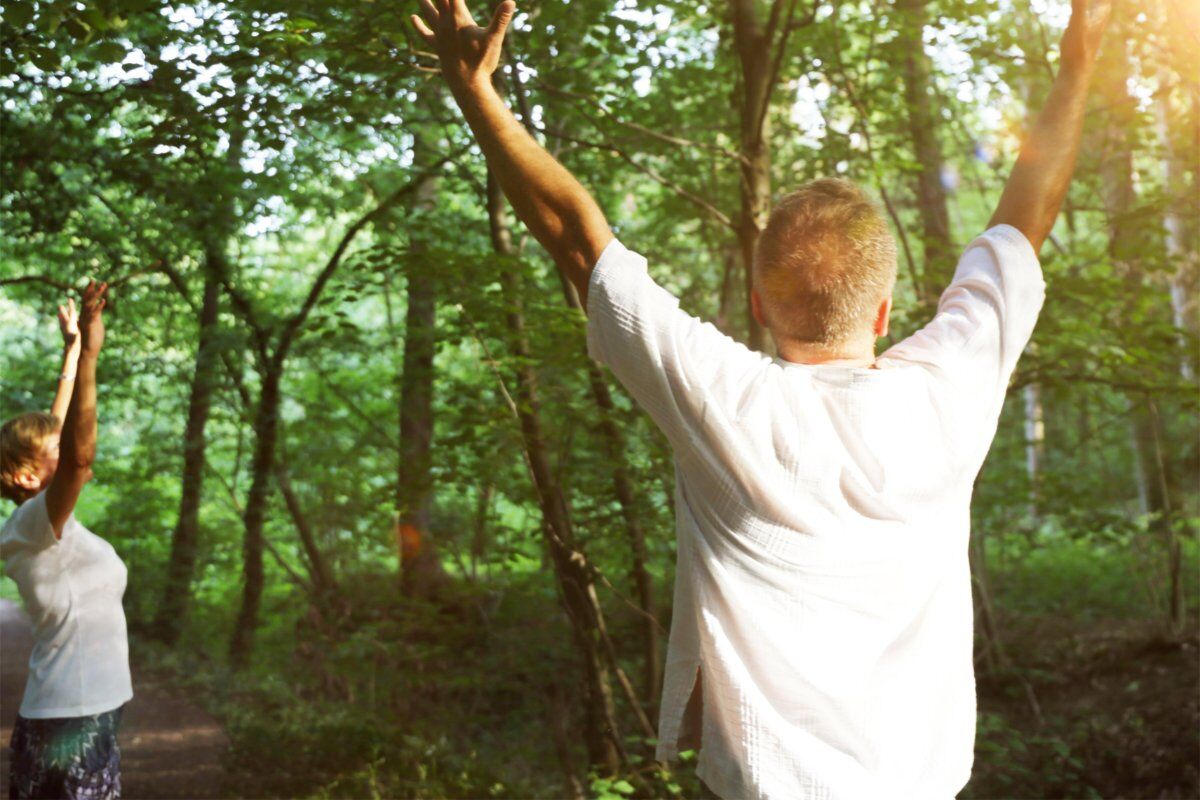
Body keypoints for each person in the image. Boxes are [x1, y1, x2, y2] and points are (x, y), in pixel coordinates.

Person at [412, 0, 1112, 796]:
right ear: (883, 309)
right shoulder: (949, 392)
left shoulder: (728, 401)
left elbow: (579, 237)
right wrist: (1077, 66)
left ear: (757, 303)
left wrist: (477, 92)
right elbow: (1026, 217)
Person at [1, 281, 132, 800]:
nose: (71, 445)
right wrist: (95, 358)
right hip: (71, 719)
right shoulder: (36, 526)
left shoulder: (41, 523)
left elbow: (60, 436)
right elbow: (77, 455)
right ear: (30, 478)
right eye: (55, 448)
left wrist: (74, 350)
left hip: (82, 711)